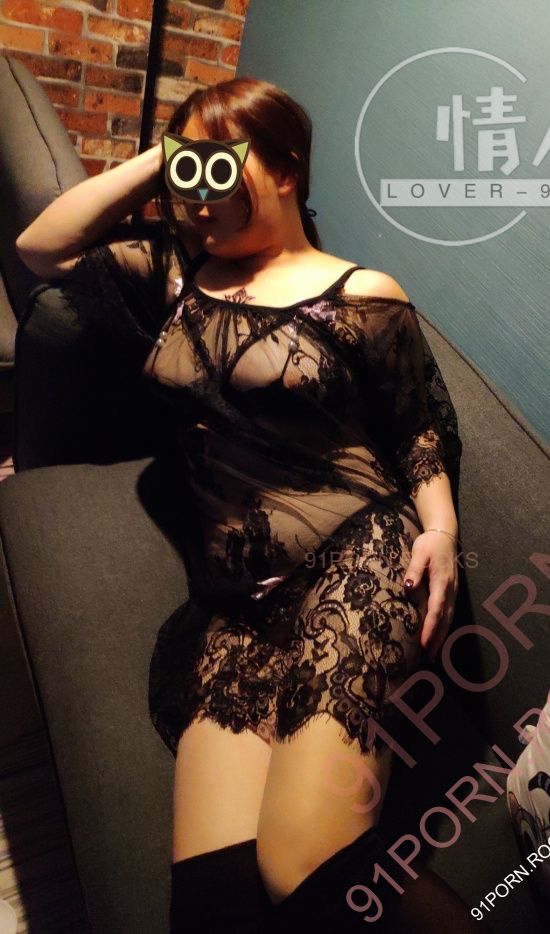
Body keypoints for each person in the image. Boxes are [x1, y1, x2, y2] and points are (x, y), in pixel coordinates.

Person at [16, 77, 488, 933]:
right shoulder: (173, 273)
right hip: (235, 605)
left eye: (221, 168)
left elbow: (417, 428)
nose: (199, 196)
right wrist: (166, 155)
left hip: (359, 560)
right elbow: (40, 248)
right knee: (212, 901)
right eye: (186, 171)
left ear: (287, 169)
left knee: (300, 861)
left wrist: (442, 531)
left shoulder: (362, 291)